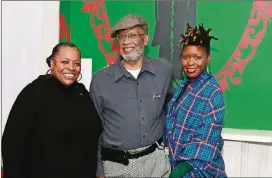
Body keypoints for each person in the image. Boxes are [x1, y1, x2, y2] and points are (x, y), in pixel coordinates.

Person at [2, 42, 102, 178]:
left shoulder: (81, 92)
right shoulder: (34, 93)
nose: (71, 68)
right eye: (65, 62)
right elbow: (12, 144)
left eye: (76, 63)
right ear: (52, 63)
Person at [90, 14, 172, 177]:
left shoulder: (164, 71)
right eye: (121, 37)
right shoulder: (101, 80)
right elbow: (94, 128)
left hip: (156, 163)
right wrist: (100, 171)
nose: (126, 42)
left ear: (146, 39)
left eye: (132, 35)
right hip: (117, 165)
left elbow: (172, 109)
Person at [165, 24, 227, 178]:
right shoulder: (185, 85)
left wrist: (178, 172)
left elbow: (205, 141)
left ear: (208, 59)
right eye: (186, 57)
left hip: (202, 170)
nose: (190, 63)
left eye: (197, 57)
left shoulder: (212, 92)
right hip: (177, 164)